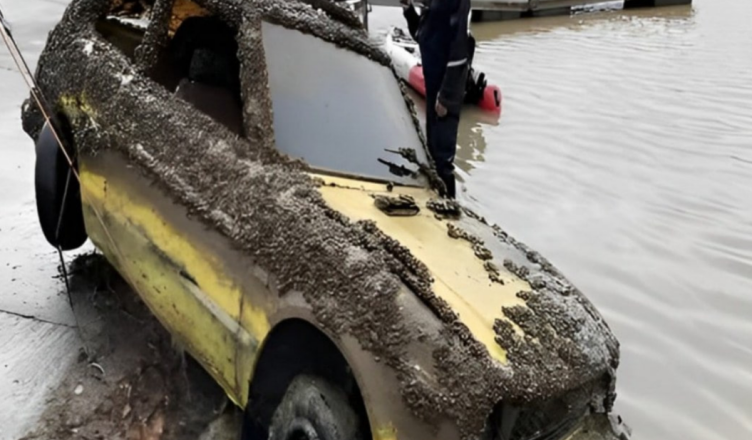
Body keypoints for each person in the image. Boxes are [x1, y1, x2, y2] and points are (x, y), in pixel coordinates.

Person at [401, 0, 472, 199]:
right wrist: (408, 10)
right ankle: (436, 200)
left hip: (447, 88)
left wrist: (446, 97)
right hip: (432, 87)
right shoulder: (434, 4)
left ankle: (450, 206)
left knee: (443, 158)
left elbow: (459, 53)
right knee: (432, 150)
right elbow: (421, 35)